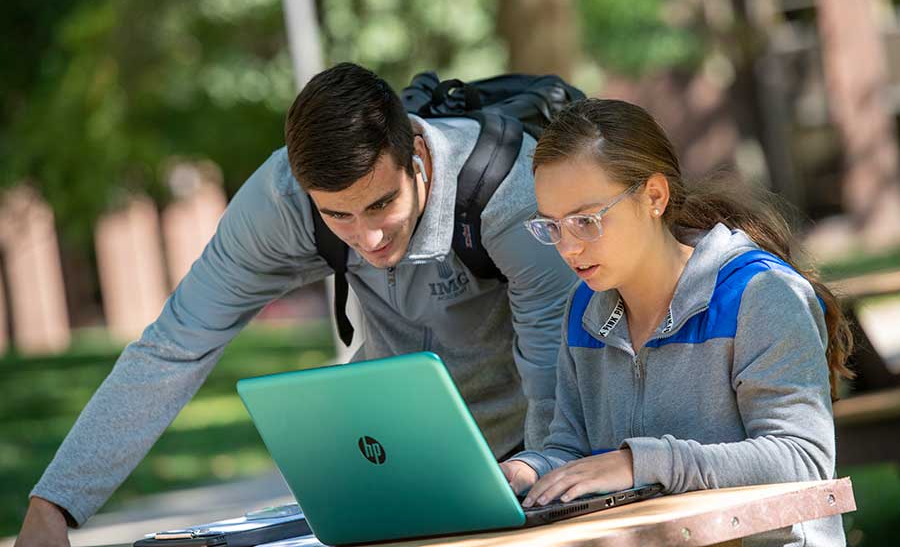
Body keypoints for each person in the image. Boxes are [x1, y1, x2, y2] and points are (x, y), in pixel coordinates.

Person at [16, 63, 577, 544]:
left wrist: (540, 476)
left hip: (528, 456)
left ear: (415, 155)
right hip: (396, 464)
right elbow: (173, 349)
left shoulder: (507, 190)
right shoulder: (281, 201)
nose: (370, 237)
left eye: (383, 204)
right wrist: (53, 505)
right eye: (339, 215)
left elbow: (556, 371)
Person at [499, 99, 853, 546]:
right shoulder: (584, 307)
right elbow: (571, 451)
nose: (568, 248)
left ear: (654, 197)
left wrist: (637, 464)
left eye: (586, 221)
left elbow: (801, 461)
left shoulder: (760, 295)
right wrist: (531, 469)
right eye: (551, 226)